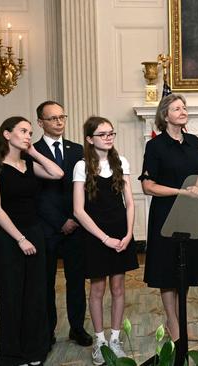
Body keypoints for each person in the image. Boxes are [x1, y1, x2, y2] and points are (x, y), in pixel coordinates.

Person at [140, 94, 198, 341]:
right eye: (177, 108)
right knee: (167, 270)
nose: (183, 111)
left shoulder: (193, 141)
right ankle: (172, 322)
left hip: (190, 212)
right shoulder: (155, 146)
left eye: (184, 108)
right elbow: (148, 186)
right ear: (165, 115)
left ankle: (182, 319)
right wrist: (182, 191)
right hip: (165, 214)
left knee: (187, 269)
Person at [0, 116, 64, 365]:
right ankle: (11, 355)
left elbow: (57, 173)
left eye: (29, 132)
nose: (28, 135)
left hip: (34, 233)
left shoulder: (28, 164)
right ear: (6, 134)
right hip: (8, 237)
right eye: (23, 131)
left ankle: (34, 350)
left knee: (36, 294)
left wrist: (33, 151)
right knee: (12, 295)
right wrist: (20, 238)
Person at [73, 117, 138, 364]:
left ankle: (115, 338)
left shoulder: (121, 162)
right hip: (95, 235)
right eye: (102, 134)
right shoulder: (81, 166)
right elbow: (79, 211)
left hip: (121, 231)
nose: (109, 137)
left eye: (111, 133)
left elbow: (129, 203)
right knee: (98, 289)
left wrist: (129, 233)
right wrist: (105, 239)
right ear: (90, 139)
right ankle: (100, 341)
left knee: (119, 288)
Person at [34, 100, 93, 348]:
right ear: (40, 123)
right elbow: (35, 194)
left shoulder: (77, 150)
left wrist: (74, 219)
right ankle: (47, 332)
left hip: (76, 227)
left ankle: (77, 329)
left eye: (62, 117)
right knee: (46, 283)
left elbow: (85, 189)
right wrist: (60, 222)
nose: (59, 122)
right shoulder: (31, 151)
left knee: (77, 281)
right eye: (53, 118)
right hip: (47, 228)